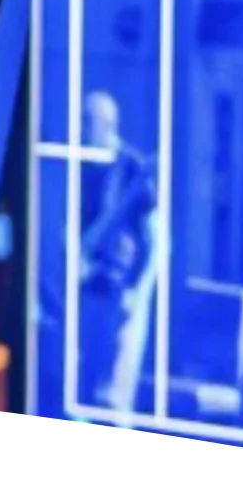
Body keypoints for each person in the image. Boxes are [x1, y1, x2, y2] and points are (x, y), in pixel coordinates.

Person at [73, 82, 159, 413]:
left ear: (107, 124)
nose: (80, 127)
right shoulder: (81, 164)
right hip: (88, 286)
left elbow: (156, 240)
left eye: (87, 120)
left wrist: (138, 291)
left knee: (114, 393)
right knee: (83, 383)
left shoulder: (134, 169)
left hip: (123, 292)